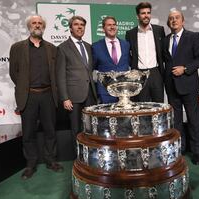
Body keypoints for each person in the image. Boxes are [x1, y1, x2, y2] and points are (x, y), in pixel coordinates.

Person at [9, 15, 63, 180]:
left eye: (40, 23)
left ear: (44, 27)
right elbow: (13, 73)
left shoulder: (52, 48)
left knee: (50, 131)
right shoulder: (17, 47)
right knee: (28, 133)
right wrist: (25, 88)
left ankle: (50, 160)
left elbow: (57, 73)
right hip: (29, 95)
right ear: (29, 26)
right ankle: (31, 164)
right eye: (34, 23)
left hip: (48, 95)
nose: (37, 25)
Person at [163, 10, 199, 165]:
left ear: (183, 20)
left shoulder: (193, 37)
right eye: (171, 19)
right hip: (171, 87)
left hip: (189, 85)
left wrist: (186, 68)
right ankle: (179, 150)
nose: (174, 20)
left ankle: (196, 152)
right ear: (168, 23)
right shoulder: (165, 39)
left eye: (176, 18)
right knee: (176, 122)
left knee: (194, 120)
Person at [56, 16, 97, 156]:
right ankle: (79, 157)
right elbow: (60, 75)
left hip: (90, 94)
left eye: (82, 25)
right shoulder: (62, 48)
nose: (79, 27)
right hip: (73, 96)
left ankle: (90, 155)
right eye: (76, 25)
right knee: (76, 129)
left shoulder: (88, 46)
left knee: (90, 127)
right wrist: (64, 98)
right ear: (70, 27)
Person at [125, 2, 165, 103]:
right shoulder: (130, 33)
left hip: (156, 73)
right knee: (142, 106)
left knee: (159, 106)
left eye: (148, 12)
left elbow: (163, 51)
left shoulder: (159, 30)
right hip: (139, 75)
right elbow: (127, 54)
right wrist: (134, 68)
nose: (146, 15)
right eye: (143, 13)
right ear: (138, 16)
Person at [92, 16, 130, 103]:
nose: (112, 27)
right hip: (105, 92)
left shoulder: (126, 44)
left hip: (124, 92)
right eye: (109, 25)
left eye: (114, 25)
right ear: (103, 28)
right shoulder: (96, 46)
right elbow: (92, 67)